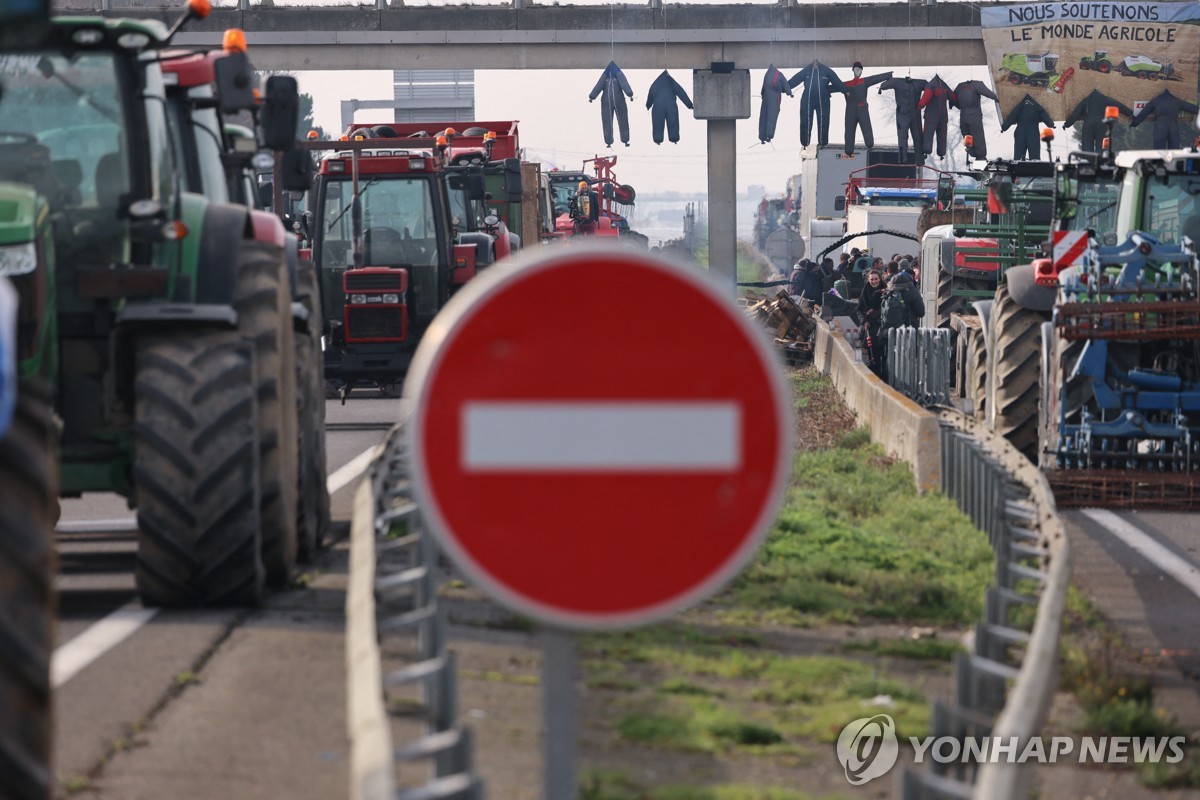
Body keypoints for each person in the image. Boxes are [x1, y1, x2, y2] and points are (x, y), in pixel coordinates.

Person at [877, 271, 925, 380]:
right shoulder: (912, 291)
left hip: (889, 330)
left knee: (890, 356)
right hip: (908, 330)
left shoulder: (889, 291)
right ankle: (906, 384)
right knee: (908, 357)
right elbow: (921, 312)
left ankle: (888, 380)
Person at [857, 269, 886, 375]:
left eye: (876, 279)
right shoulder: (865, 292)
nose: (874, 281)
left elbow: (888, 309)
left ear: (880, 279)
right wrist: (863, 321)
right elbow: (859, 310)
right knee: (868, 353)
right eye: (872, 279)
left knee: (882, 356)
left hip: (882, 328)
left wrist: (876, 312)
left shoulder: (885, 291)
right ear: (868, 280)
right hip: (868, 328)